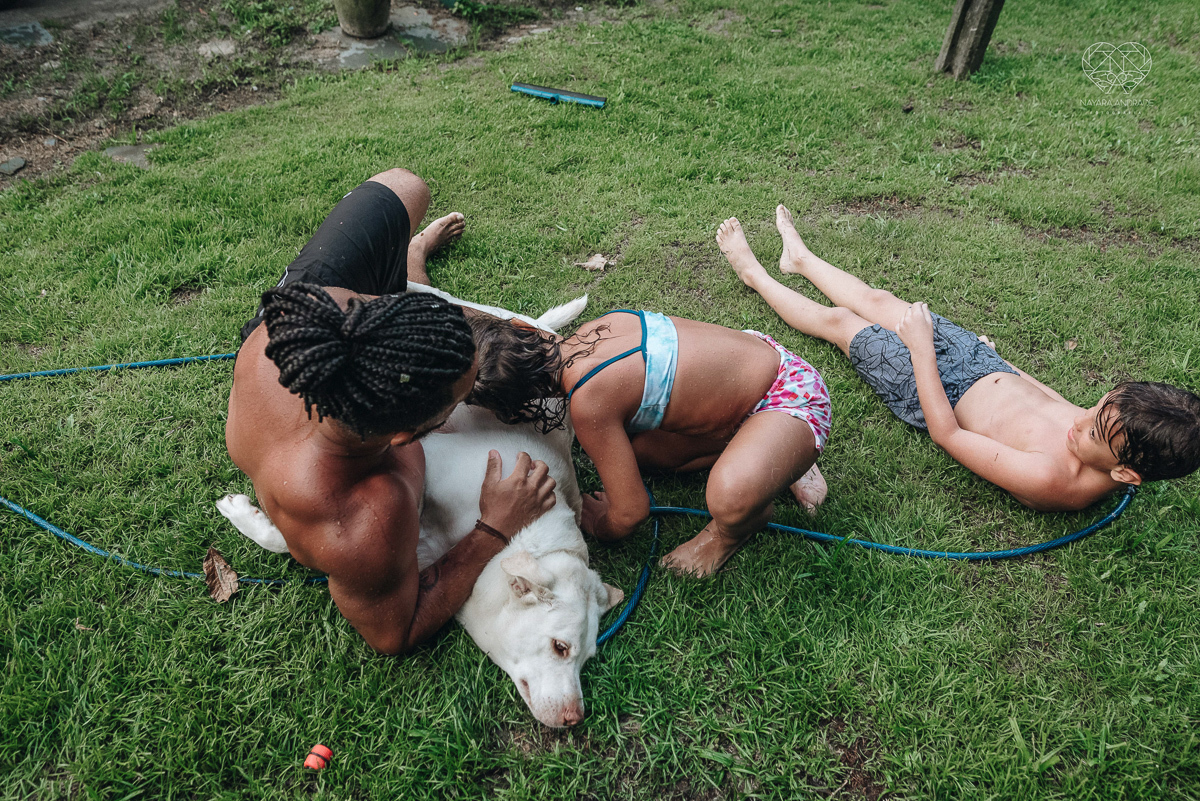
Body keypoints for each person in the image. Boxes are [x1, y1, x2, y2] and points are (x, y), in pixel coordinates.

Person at [225, 168, 557, 655]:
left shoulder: (310, 324)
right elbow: (392, 635)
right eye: (458, 403)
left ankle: (411, 260)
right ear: (407, 435)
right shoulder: (367, 520)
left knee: (407, 187)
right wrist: (494, 527)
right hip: (325, 479)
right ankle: (409, 268)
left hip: (285, 330)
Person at [718, 205, 1200, 512]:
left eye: (1093, 430)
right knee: (883, 301)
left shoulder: (1051, 478)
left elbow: (946, 433)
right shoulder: (1106, 433)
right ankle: (799, 260)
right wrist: (1000, 364)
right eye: (1095, 408)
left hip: (933, 387)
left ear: (1124, 474)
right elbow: (1049, 399)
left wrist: (922, 351)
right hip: (982, 366)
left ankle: (754, 274)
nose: (1081, 420)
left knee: (843, 322)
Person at [464, 303, 834, 578]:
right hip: (755, 370)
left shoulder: (588, 402)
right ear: (522, 328)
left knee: (728, 496)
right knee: (639, 451)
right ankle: (772, 452)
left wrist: (600, 524)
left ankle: (733, 528)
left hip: (790, 396)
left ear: (522, 404)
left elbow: (632, 512)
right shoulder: (601, 327)